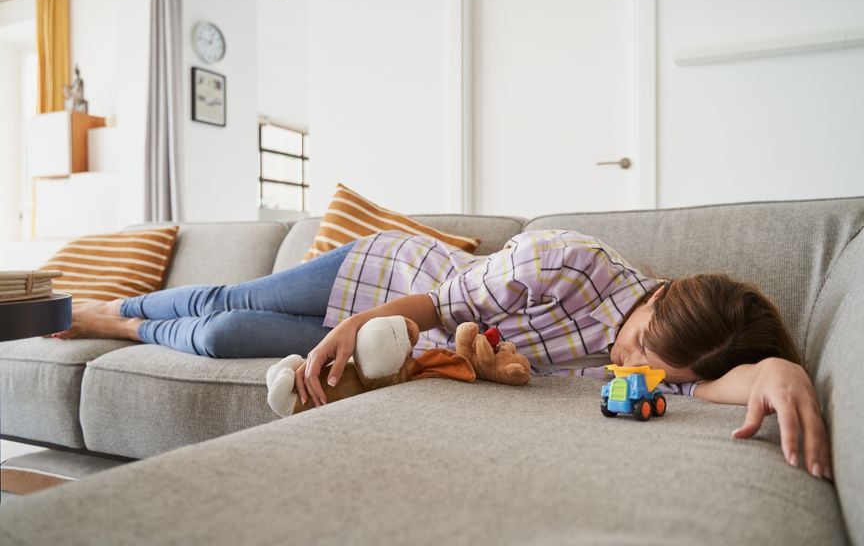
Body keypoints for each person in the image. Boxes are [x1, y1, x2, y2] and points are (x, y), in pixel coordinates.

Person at [55, 229, 831, 480]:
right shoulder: (570, 263)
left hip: (400, 355)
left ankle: (126, 327)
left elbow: (704, 390)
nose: (629, 362)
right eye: (637, 341)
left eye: (661, 372)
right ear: (661, 293)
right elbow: (437, 307)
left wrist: (775, 370)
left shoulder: (670, 368)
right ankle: (110, 312)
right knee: (230, 300)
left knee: (224, 337)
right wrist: (346, 330)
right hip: (384, 281)